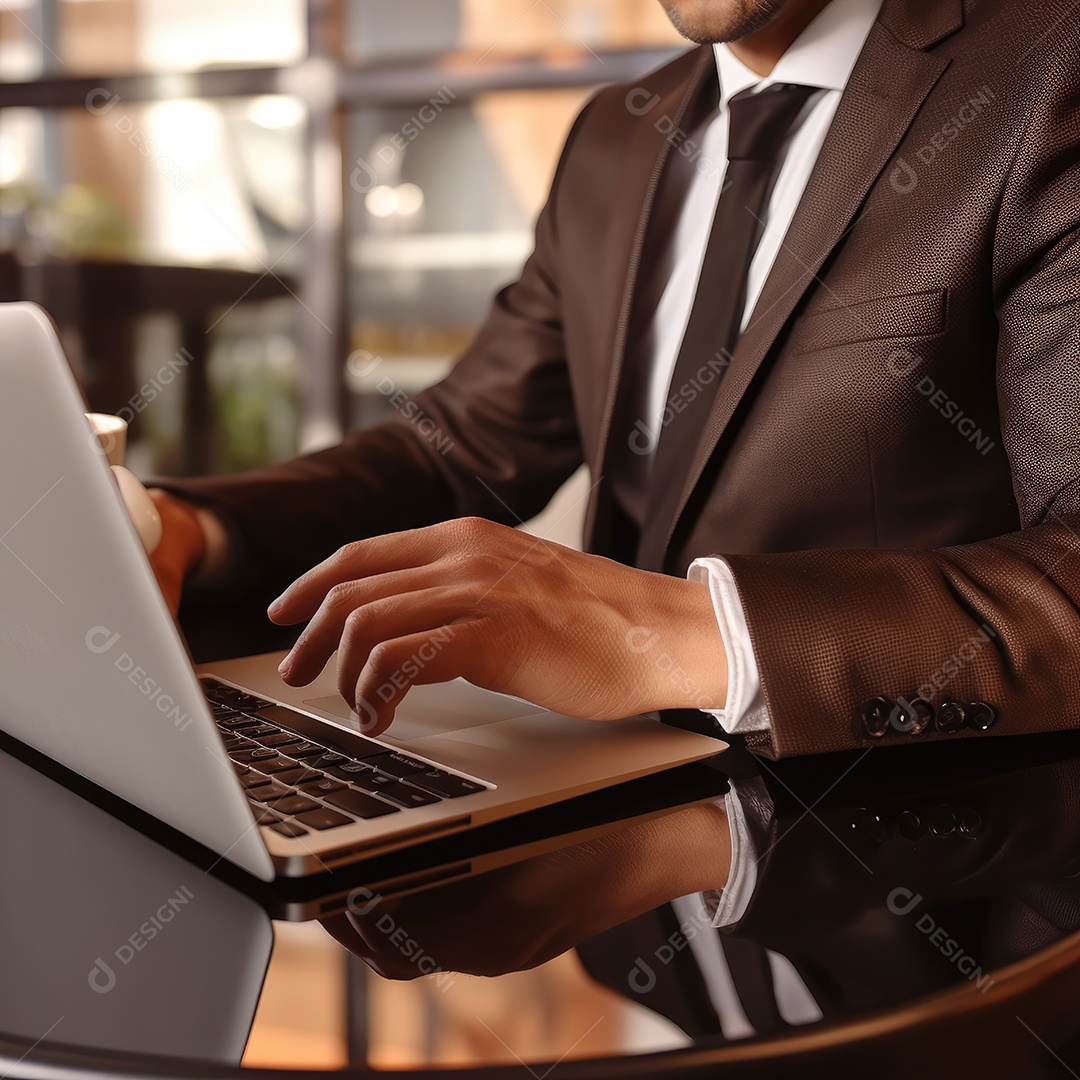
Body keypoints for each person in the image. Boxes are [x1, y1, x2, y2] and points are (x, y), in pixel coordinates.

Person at [136, 0, 1080, 1031]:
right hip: (657, 935)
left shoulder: (1048, 69)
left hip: (951, 919)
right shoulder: (617, 133)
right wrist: (186, 530)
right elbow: (461, 441)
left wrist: (676, 634)